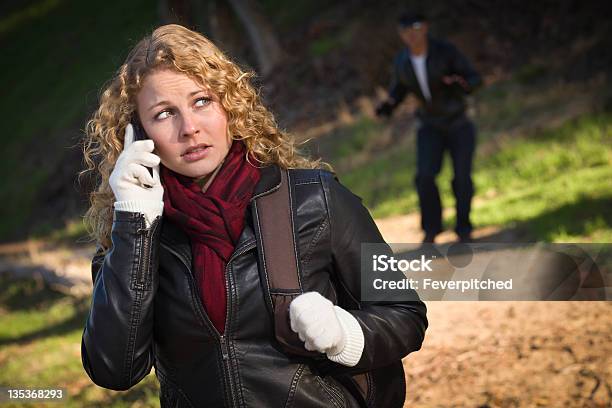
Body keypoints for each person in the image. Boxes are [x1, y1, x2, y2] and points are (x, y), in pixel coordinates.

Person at [80, 24, 428, 407]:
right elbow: (114, 370)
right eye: (164, 114)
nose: (189, 128)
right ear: (138, 133)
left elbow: (405, 315)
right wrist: (134, 225)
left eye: (201, 101)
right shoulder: (133, 234)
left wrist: (345, 334)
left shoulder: (317, 199)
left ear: (230, 104)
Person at [376, 12, 482, 243]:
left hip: (458, 122)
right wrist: (389, 105)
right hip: (429, 125)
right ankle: (432, 229)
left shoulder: (446, 51)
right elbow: (399, 89)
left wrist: (461, 85)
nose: (411, 35)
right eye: (405, 31)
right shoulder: (402, 61)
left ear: (425, 28)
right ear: (401, 35)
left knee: (462, 177)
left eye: (415, 28)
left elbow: (474, 78)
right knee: (424, 177)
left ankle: (464, 228)